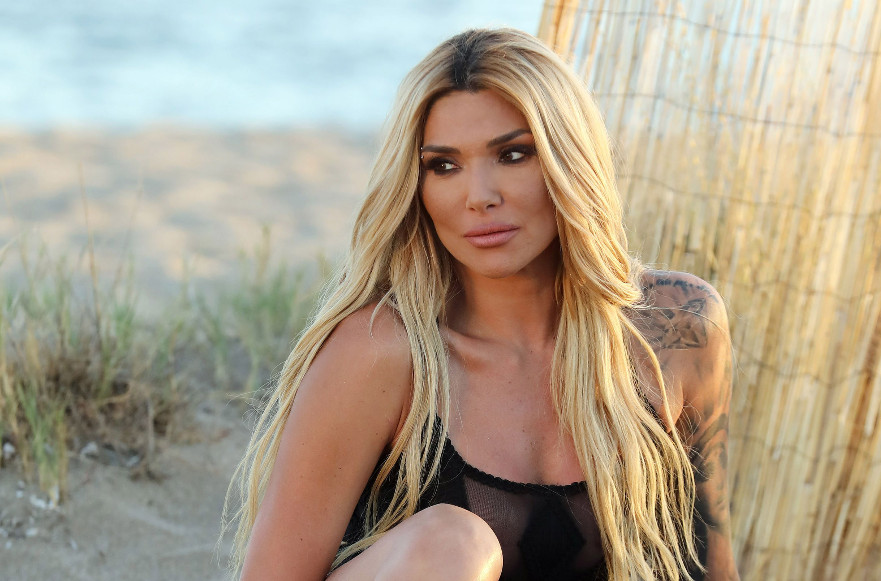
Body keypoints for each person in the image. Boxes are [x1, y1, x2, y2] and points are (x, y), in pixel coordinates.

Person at [224, 28, 739, 581]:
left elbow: (705, 563)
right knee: (451, 547)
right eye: (444, 166)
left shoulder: (678, 326)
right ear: (416, 186)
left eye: (513, 154)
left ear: (570, 161)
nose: (479, 197)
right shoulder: (381, 352)